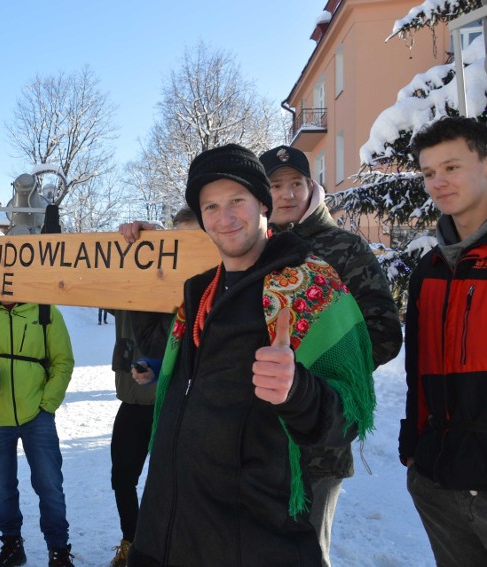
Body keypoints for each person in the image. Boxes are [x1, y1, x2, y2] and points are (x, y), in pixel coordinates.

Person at [127, 144, 376, 566]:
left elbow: (351, 413)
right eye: (210, 206)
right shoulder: (198, 292)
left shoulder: (309, 283)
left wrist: (298, 392)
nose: (224, 218)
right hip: (169, 531)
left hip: (254, 539)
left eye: (236, 201)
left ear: (263, 202)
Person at [259, 145, 402, 565]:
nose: (286, 194)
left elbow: (383, 332)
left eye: (295, 184)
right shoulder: (251, 249)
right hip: (256, 435)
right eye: (275, 186)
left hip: (320, 435)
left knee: (304, 552)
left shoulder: (343, 249)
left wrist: (314, 380)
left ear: (311, 187)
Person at [398, 116, 487, 566]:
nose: (438, 182)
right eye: (429, 172)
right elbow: (418, 368)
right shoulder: (429, 269)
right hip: (439, 481)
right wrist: (414, 447)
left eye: (451, 167)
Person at [104, 207, 198, 567]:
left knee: (174, 485)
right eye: (176, 238)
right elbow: (90, 276)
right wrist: (147, 239)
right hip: (134, 404)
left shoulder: (205, 292)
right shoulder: (132, 286)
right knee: (122, 478)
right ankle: (133, 542)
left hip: (178, 407)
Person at [0, 300, 75, 567]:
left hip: (38, 415)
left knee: (50, 486)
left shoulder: (45, 311)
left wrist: (47, 405)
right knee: (2, 488)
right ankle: (12, 546)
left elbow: (63, 362)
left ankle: (58, 551)